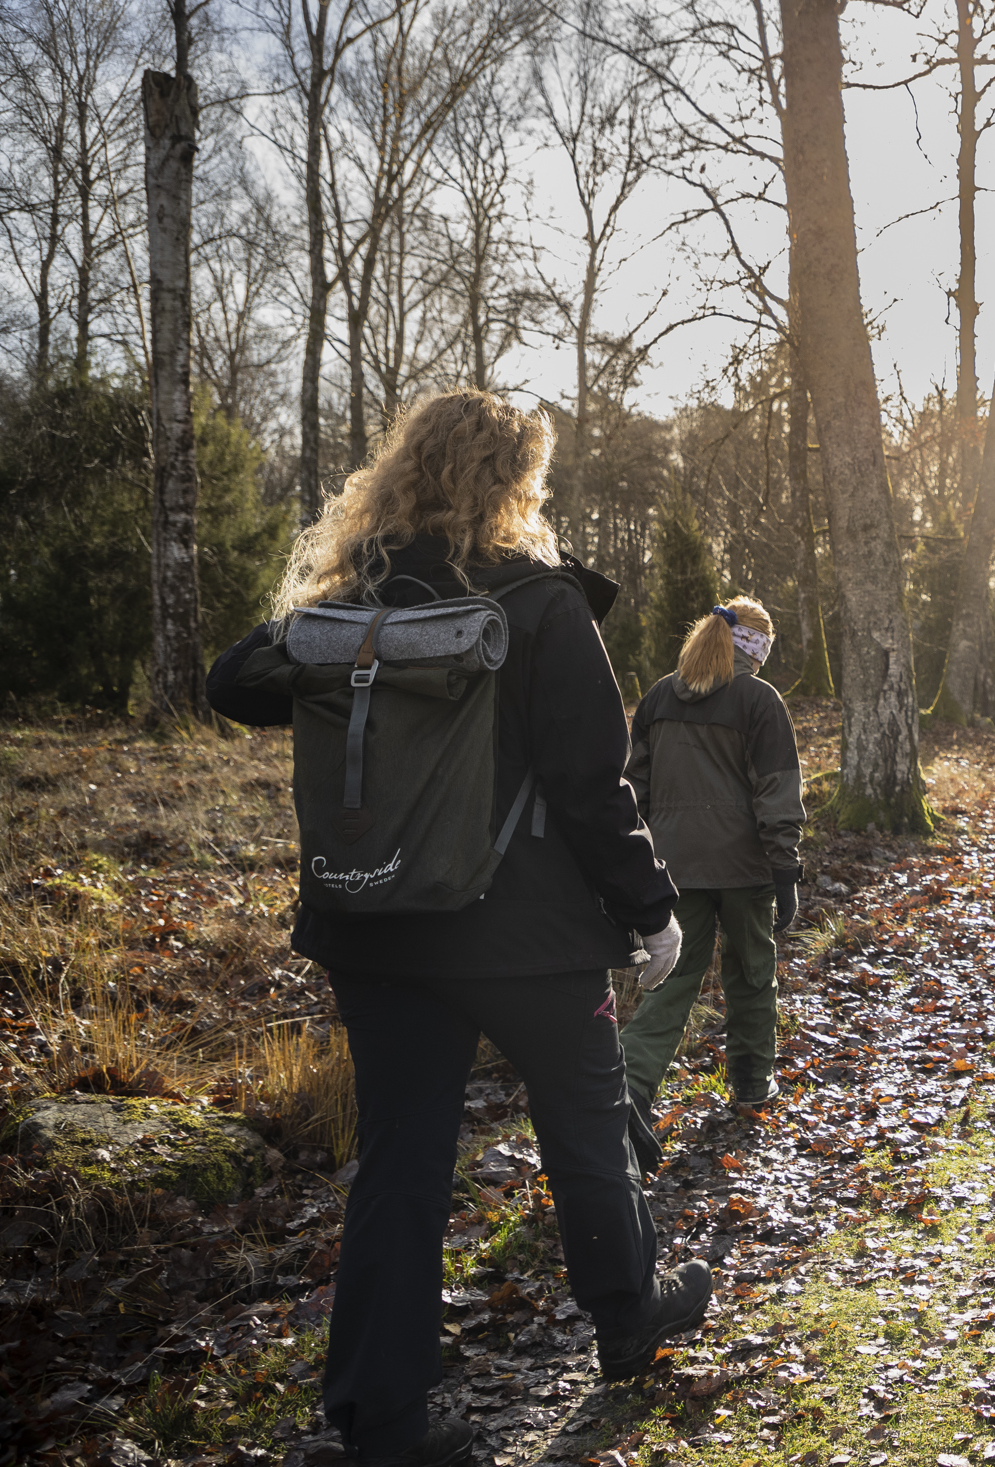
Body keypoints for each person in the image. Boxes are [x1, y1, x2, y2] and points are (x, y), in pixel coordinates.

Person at [206, 389, 709, 1467]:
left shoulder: (356, 603)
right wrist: (650, 909)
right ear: (516, 483)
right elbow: (591, 785)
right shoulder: (541, 605)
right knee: (585, 1121)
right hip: (529, 938)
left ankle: (381, 1420)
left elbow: (231, 683)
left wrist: (336, 610)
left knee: (399, 1162)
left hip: (376, 931)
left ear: (402, 471)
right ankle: (627, 1316)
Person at [622, 597, 805, 1116]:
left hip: (673, 867)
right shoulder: (760, 700)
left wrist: (638, 864)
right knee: (752, 975)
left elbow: (634, 792)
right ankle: (752, 1086)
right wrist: (786, 870)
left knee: (672, 980)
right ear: (756, 648)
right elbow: (777, 791)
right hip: (745, 868)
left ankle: (626, 1094)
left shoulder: (659, 697)